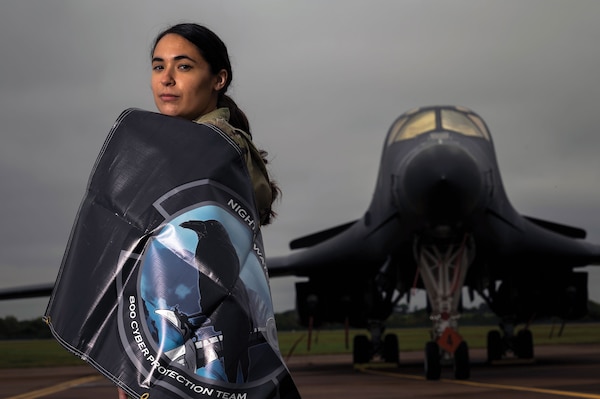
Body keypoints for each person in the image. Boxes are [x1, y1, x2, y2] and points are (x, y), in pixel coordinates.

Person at [117, 22, 280, 399]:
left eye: (184, 66)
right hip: (159, 343)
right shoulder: (169, 151)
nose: (167, 79)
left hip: (205, 350)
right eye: (159, 67)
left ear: (218, 79)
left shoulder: (220, 149)